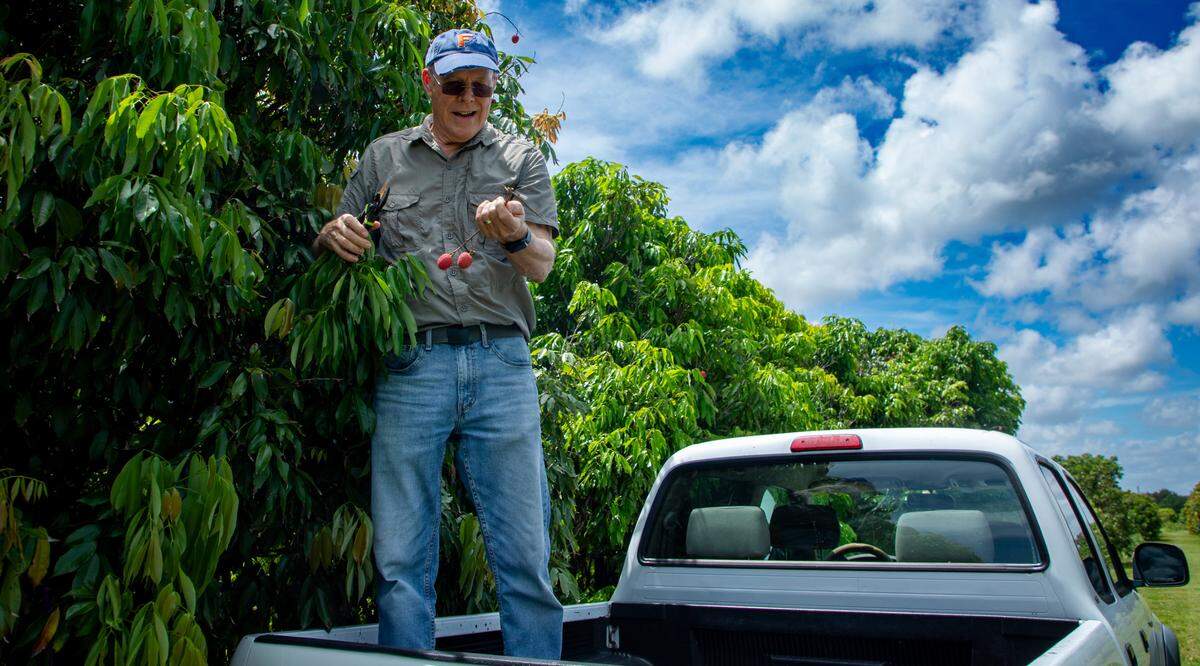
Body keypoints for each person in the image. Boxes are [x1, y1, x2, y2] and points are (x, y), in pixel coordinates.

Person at [312, 28, 563, 659]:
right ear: (429, 84)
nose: (468, 98)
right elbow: (338, 231)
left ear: (493, 89)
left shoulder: (521, 159)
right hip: (411, 365)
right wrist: (333, 235)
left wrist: (513, 235)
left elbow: (541, 264)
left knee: (525, 554)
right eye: (454, 85)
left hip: (501, 362)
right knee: (400, 558)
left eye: (481, 87)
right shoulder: (383, 158)